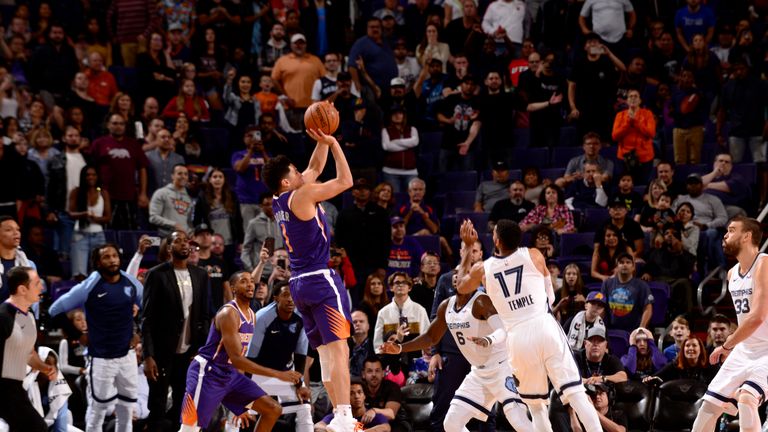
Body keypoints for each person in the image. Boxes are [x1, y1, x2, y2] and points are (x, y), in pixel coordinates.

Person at [456, 219, 602, 431]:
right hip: (543, 325)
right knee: (575, 393)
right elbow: (550, 297)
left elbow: (460, 286)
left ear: (496, 240)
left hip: (516, 338)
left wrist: (468, 246)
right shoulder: (534, 254)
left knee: (535, 405)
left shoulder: (483, 268)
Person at [262, 126, 356, 431]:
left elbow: (314, 167)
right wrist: (334, 143)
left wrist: (320, 140)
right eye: (294, 170)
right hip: (319, 278)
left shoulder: (280, 200)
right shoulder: (302, 194)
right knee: (339, 348)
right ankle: (344, 415)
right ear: (288, 181)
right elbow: (346, 181)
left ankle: (339, 415)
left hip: (299, 283)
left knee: (327, 354)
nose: (302, 171)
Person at [379, 271, 534, 432]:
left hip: (502, 367)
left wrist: (488, 340)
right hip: (479, 373)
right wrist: (400, 348)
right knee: (451, 423)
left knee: (518, 420)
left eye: (464, 273)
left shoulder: (482, 301)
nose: (456, 275)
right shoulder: (446, 305)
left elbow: (503, 330)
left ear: (473, 282)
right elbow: (431, 337)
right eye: (456, 273)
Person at [178, 271, 302, 432]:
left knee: (272, 409)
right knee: (190, 428)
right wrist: (278, 374)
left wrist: (239, 403)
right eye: (243, 281)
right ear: (233, 288)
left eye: (251, 281)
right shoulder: (229, 313)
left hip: (230, 375)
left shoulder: (251, 314)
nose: (250, 284)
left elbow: (240, 358)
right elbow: (237, 358)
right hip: (208, 373)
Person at [49, 244, 143, 432]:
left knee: (126, 408)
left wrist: (138, 333)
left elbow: (149, 308)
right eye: (106, 257)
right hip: (101, 358)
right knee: (97, 410)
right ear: (97, 262)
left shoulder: (131, 283)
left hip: (127, 356)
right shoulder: (90, 285)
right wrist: (78, 335)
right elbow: (54, 310)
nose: (112, 260)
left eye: (115, 255)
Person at [692, 217, 768, 432]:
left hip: (767, 349)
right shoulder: (732, 273)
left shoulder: (764, 262)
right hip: (746, 349)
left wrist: (727, 345)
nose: (725, 235)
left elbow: (758, 317)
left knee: (747, 399)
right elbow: (745, 318)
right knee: (709, 406)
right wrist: (735, 345)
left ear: (747, 236)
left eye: (732, 230)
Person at [141, 230, 210, 431]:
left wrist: (200, 349)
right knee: (157, 404)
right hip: (162, 351)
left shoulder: (201, 274)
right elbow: (147, 319)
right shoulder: (156, 274)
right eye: (177, 241)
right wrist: (148, 356)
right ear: (169, 248)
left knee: (184, 402)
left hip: (189, 352)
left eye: (186, 241)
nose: (184, 244)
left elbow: (204, 316)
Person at [246, 281, 312, 432]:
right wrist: (245, 388)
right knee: (237, 412)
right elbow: (250, 357)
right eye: (285, 295)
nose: (290, 299)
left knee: (304, 407)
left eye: (293, 295)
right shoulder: (262, 317)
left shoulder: (302, 318)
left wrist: (300, 383)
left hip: (284, 374)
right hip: (256, 374)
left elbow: (301, 354)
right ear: (276, 298)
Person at [0, 266, 55, 432]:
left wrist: (45, 368)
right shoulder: (3, 317)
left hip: (16, 388)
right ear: (22, 289)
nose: (42, 287)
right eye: (37, 283)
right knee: (37, 428)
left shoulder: (29, 316)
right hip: (3, 388)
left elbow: (29, 353)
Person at [68, 165, 111, 279]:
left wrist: (94, 218)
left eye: (93, 174)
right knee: (79, 274)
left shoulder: (102, 193)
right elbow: (70, 213)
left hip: (99, 235)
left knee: (100, 274)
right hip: (80, 235)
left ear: (97, 176)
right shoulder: (76, 191)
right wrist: (84, 214)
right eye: (87, 175)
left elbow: (108, 217)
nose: (90, 177)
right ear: (83, 177)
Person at [373, 272, 430, 349]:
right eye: (397, 282)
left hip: (416, 357)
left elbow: (426, 337)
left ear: (409, 288)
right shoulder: (383, 312)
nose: (400, 285)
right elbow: (377, 343)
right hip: (390, 357)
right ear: (391, 287)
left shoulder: (420, 310)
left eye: (404, 282)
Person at [600, 252, 653, 332]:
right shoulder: (607, 284)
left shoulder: (642, 285)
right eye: (621, 262)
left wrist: (641, 329)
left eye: (628, 262)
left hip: (633, 331)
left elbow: (648, 309)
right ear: (616, 267)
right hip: (611, 330)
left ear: (633, 267)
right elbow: (602, 307)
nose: (624, 265)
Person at [611, 89, 656, 184]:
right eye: (630, 96)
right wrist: (627, 123)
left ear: (640, 100)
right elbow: (615, 136)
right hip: (624, 157)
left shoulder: (647, 114)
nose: (633, 98)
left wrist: (636, 121)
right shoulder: (620, 115)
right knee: (626, 185)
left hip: (644, 157)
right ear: (627, 101)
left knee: (642, 184)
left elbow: (651, 133)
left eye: (636, 96)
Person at [315, 377, 391, 431]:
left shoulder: (372, 415)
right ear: (345, 397)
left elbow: (386, 428)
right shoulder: (339, 416)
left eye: (359, 392)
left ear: (364, 395)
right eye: (351, 393)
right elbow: (318, 426)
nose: (356, 396)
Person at [645, 337, 714, 384]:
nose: (690, 348)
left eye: (694, 345)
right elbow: (655, 377)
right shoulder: (674, 366)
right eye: (687, 346)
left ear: (701, 350)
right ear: (683, 350)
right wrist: (648, 379)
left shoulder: (709, 367)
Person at [149, 164, 193, 237]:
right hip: (165, 238)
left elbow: (189, 223)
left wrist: (191, 233)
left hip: (183, 240)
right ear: (172, 176)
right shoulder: (161, 193)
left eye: (186, 174)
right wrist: (173, 225)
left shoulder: (188, 198)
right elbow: (153, 217)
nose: (183, 176)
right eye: (180, 173)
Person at [0, 217, 37, 302]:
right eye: (9, 230)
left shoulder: (29, 265)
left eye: (18, 229)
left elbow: (33, 301)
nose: (16, 233)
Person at [350, 310, 375, 377]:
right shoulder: (343, 347)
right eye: (354, 322)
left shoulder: (375, 346)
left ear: (368, 326)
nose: (358, 324)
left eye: (361, 321)